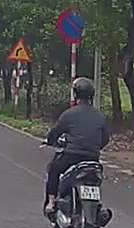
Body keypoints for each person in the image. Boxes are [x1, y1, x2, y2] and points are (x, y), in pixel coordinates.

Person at [44, 77, 110, 214]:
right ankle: (95, 207)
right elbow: (105, 139)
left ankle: (51, 201)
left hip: (72, 157)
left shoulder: (69, 114)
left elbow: (55, 133)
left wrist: (50, 141)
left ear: (75, 94)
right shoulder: (99, 116)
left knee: (53, 169)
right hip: (93, 159)